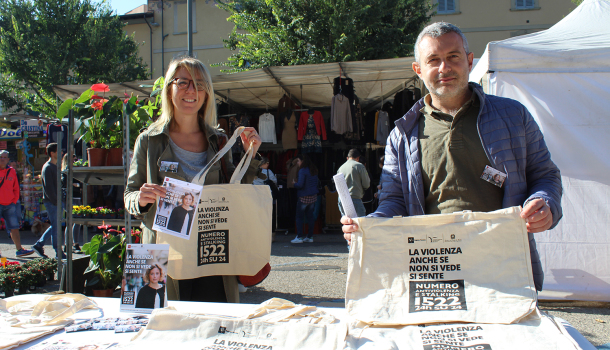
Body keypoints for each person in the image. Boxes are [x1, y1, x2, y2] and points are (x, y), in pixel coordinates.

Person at [341, 22, 562, 292]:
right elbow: (395, 201)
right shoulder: (402, 134)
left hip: (504, 264)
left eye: (453, 57)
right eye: (433, 60)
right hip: (434, 268)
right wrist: (369, 226)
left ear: (469, 61)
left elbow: (545, 175)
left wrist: (545, 203)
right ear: (418, 70)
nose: (444, 68)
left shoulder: (513, 116)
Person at [124, 56, 263, 303]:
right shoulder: (148, 140)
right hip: (160, 253)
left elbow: (234, 194)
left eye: (200, 84)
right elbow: (130, 195)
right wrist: (142, 199)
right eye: (184, 82)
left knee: (214, 329)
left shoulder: (219, 141)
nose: (192, 90)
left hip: (211, 250)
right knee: (161, 332)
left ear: (207, 93)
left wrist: (250, 157)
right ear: (169, 88)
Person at [33, 143, 65, 259]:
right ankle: (58, 251)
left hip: (56, 201)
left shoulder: (54, 166)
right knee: (56, 227)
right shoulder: (47, 167)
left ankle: (39, 244)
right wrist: (56, 201)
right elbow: (49, 188)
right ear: (52, 153)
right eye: (59, 151)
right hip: (52, 202)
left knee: (55, 225)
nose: (61, 153)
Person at [0, 150, 34, 257]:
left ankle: (19, 249)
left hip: (10, 204)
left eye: (5, 157)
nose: (2, 159)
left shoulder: (12, 171)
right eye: (1, 157)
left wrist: (14, 200)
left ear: (8, 160)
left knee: (14, 227)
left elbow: (16, 188)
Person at [291, 154, 319, 243]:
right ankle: (310, 237)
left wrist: (294, 184)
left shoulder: (302, 171)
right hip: (313, 197)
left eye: (298, 161)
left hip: (303, 197)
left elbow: (300, 185)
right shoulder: (313, 170)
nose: (298, 163)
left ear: (302, 161)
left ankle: (299, 237)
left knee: (299, 217)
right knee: (310, 217)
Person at [337, 149, 370, 218]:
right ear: (358, 158)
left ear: (347, 158)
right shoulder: (359, 166)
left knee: (347, 224)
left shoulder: (340, 168)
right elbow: (366, 184)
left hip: (342, 199)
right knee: (360, 224)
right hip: (355, 198)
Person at [61, 153, 82, 253]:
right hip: (69, 197)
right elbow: (65, 183)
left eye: (75, 160)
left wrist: (76, 184)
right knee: (72, 221)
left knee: (76, 221)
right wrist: (75, 184)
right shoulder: (65, 171)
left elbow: (80, 183)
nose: (74, 162)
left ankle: (71, 243)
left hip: (77, 196)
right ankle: (71, 244)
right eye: (72, 160)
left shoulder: (77, 170)